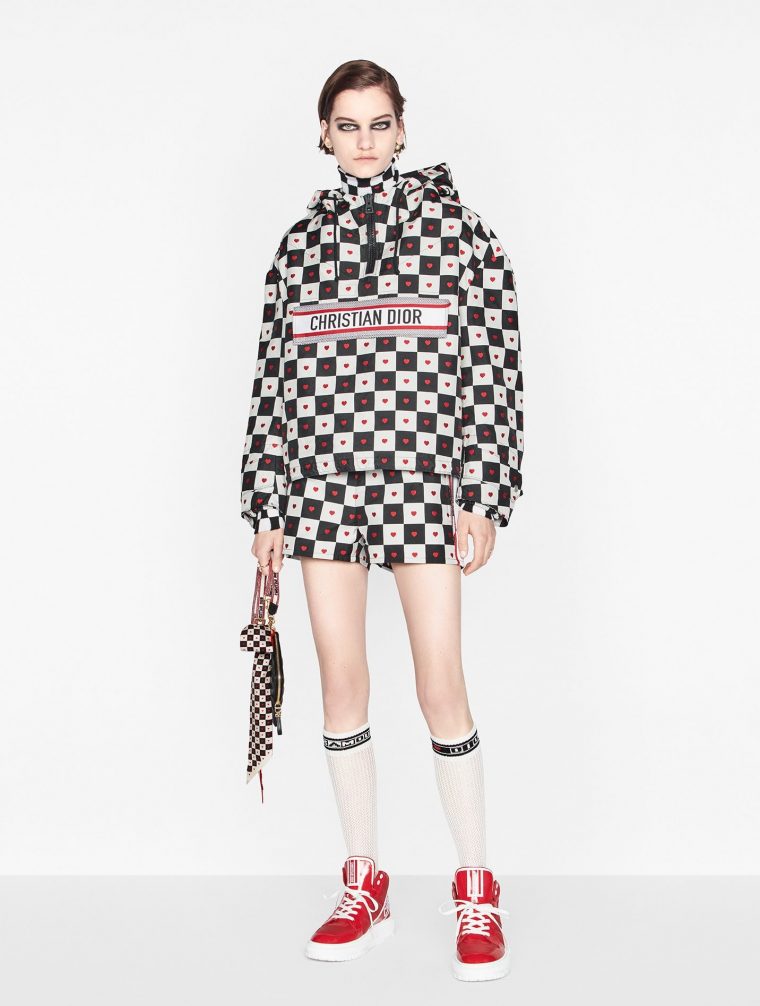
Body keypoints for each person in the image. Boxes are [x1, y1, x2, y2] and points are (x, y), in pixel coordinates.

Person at [240, 59, 524, 983]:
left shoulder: (461, 234)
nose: (363, 140)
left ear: (403, 128)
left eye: (378, 123)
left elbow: (494, 369)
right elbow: (273, 384)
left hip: (421, 480)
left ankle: (476, 885)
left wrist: (483, 491)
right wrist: (267, 504)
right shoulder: (297, 248)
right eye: (346, 125)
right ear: (323, 134)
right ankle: (365, 881)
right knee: (341, 683)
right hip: (321, 486)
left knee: (441, 683)